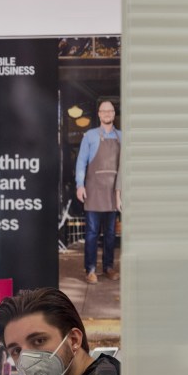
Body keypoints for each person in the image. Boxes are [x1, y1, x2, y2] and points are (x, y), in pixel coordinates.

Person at [75, 99, 122, 284]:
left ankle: (109, 267)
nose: (107, 114)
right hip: (94, 190)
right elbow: (81, 162)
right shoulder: (90, 136)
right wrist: (80, 184)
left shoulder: (122, 137)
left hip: (113, 191)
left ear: (113, 114)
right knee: (93, 232)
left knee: (110, 233)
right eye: (104, 111)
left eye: (110, 111)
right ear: (99, 115)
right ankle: (91, 270)